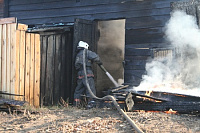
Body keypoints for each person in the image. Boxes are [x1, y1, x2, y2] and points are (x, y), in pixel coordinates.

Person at [73, 41, 102, 108]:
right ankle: (91, 104)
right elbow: (96, 58)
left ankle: (76, 104)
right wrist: (99, 62)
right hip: (87, 72)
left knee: (79, 90)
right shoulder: (86, 52)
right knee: (90, 89)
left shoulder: (78, 54)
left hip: (80, 74)